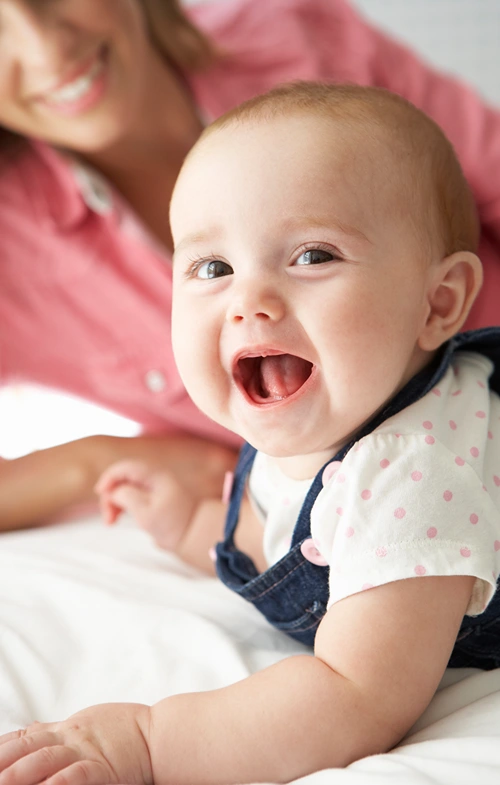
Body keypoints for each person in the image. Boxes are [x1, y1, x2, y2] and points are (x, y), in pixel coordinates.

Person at [3, 81, 500, 784]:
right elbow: (296, 539)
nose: (250, 301)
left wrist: (145, 742)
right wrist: (195, 523)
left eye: (313, 256)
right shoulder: (316, 411)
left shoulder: (415, 472)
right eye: (214, 268)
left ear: (438, 302)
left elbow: (355, 695)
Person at [1, 0, 500, 543]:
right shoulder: (10, 246)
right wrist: (96, 461)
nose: (46, 49)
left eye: (314, 256)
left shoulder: (295, 33)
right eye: (212, 269)